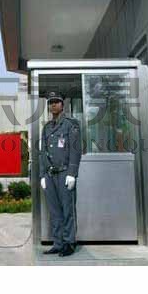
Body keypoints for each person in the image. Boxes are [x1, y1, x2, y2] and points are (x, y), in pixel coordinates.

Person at [39, 91, 82, 257]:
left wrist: (72, 173)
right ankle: (58, 243)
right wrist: (43, 175)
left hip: (65, 173)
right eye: (51, 102)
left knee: (67, 209)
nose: (53, 105)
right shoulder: (46, 127)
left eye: (56, 102)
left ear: (62, 105)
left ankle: (69, 242)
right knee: (54, 211)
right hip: (50, 176)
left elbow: (75, 151)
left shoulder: (71, 125)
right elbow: (43, 152)